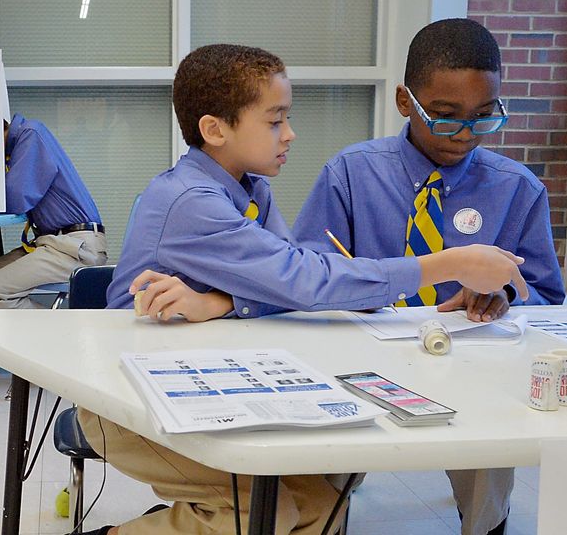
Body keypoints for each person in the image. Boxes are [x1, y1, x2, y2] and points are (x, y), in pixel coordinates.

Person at [79, 43, 530, 535]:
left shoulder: (253, 190)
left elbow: (287, 283)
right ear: (215, 130)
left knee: (320, 509)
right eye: (275, 121)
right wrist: (448, 263)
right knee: (262, 513)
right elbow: (305, 278)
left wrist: (223, 302)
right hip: (129, 403)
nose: (289, 135)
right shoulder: (191, 200)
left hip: (202, 385)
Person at [291, 18, 566, 535]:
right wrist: (352, 292)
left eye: (484, 117)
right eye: (444, 117)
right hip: (359, 359)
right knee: (318, 480)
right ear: (405, 101)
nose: (464, 134)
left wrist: (505, 293)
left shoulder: (517, 189)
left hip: (473, 366)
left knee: (490, 456)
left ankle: (484, 526)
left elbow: (548, 293)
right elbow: (308, 272)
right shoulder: (350, 174)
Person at [0, 114, 107, 309]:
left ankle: (65, 335)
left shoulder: (31, 134)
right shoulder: (23, 140)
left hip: (76, 246)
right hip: (54, 242)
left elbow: (16, 199)